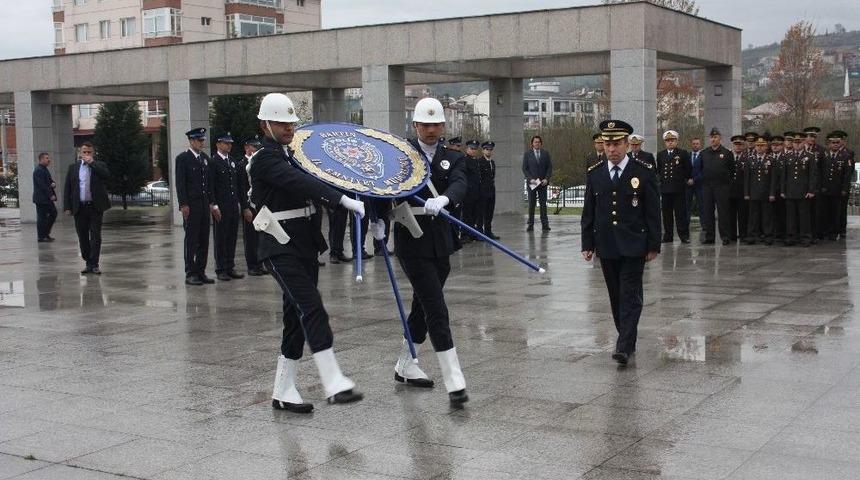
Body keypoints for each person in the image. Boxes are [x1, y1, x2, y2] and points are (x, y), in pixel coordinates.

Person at [250, 93, 365, 411]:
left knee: (295, 317)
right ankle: (333, 381)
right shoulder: (265, 160)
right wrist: (341, 201)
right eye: (281, 122)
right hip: (278, 244)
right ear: (265, 125)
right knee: (311, 307)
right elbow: (300, 184)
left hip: (303, 244)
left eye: (291, 122)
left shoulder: (292, 155)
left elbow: (317, 176)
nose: (288, 128)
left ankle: (283, 391)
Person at [370, 97, 470, 405]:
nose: (430, 129)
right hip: (411, 238)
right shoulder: (401, 156)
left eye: (435, 124)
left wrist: (446, 200)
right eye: (424, 125)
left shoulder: (452, 157)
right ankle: (454, 379)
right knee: (436, 307)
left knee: (422, 305)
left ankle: (405, 363)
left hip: (441, 239)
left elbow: (460, 183)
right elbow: (379, 185)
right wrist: (377, 219)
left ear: (443, 126)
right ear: (415, 126)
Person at [581, 120, 660, 365]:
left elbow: (652, 211)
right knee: (616, 296)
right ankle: (627, 338)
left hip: (634, 244)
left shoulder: (643, 171)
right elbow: (589, 211)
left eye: (616, 144)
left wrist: (654, 244)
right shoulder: (595, 173)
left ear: (627, 144)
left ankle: (623, 346)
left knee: (629, 295)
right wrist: (587, 243)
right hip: (607, 245)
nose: (611, 149)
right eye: (607, 144)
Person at [175, 128, 216, 286]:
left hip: (204, 205)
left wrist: (212, 202)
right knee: (191, 240)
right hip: (191, 205)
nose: (201, 143)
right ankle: (190, 273)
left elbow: (209, 184)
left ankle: (201, 271)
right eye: (199, 140)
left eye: (202, 140)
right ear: (191, 141)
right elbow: (180, 183)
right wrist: (183, 204)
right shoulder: (183, 158)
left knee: (203, 239)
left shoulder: (205, 159)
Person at [63, 142, 111, 275]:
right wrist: (67, 206)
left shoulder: (99, 165)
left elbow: (106, 175)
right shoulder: (73, 168)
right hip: (80, 208)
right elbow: (68, 188)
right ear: (79, 153)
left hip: (95, 207)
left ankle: (94, 264)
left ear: (93, 153)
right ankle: (88, 261)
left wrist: (92, 164)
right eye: (84, 152)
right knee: (82, 236)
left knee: (95, 236)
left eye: (89, 152)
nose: (86, 154)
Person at [210, 133, 246, 281]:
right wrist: (214, 205)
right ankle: (221, 269)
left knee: (231, 237)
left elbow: (237, 185)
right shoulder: (214, 162)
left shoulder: (232, 162)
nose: (229, 146)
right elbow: (211, 186)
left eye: (230, 143)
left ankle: (230, 267)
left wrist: (240, 204)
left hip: (232, 205)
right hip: (221, 206)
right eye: (226, 143)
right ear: (218, 144)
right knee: (221, 238)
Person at [655, 130, 692, 243]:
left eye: (672, 140)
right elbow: (659, 170)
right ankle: (668, 235)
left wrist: (685, 180)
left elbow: (688, 169)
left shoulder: (682, 153)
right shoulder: (661, 154)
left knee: (680, 214)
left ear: (676, 141)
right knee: (666, 214)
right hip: (666, 189)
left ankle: (684, 236)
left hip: (678, 188)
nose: (670, 143)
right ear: (665, 142)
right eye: (668, 141)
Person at [781, 133, 816, 247]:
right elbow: (784, 176)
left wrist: (811, 190)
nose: (797, 144)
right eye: (795, 142)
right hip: (790, 191)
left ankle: (805, 237)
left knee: (804, 217)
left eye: (799, 142)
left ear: (804, 143)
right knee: (790, 217)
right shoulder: (787, 156)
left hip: (803, 192)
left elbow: (812, 175)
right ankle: (791, 237)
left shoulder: (810, 156)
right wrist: (783, 190)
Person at [699, 128, 734, 245]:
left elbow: (732, 170)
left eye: (716, 137)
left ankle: (725, 236)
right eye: (712, 137)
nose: (713, 139)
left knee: (723, 212)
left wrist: (727, 184)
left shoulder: (727, 153)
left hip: (722, 187)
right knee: (708, 212)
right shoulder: (704, 153)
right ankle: (710, 237)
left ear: (720, 139)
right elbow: (699, 169)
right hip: (707, 187)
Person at [237, 136, 266, 276]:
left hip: (260, 204)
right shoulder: (241, 165)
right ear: (247, 147)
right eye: (253, 147)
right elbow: (241, 188)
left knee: (260, 235)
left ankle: (260, 263)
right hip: (249, 204)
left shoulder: (258, 163)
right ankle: (252, 265)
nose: (255, 149)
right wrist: (245, 207)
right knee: (250, 237)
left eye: (257, 147)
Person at [818, 131, 852, 241]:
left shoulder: (845, 156)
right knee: (825, 212)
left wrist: (844, 189)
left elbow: (847, 175)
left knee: (836, 212)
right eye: (833, 142)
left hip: (837, 190)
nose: (835, 144)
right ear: (828, 144)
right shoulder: (824, 155)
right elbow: (820, 172)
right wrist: (821, 186)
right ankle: (826, 231)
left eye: (837, 142)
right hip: (825, 189)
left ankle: (834, 232)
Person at [743, 135, 776, 245]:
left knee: (767, 216)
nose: (760, 148)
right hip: (753, 193)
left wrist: (772, 193)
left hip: (766, 193)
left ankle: (768, 236)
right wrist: (746, 193)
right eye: (758, 146)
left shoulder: (771, 160)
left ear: (766, 147)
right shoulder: (750, 160)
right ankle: (752, 235)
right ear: (755, 147)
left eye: (762, 146)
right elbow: (746, 178)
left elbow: (773, 179)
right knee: (753, 216)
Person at [523, 135, 553, 232]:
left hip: (542, 182)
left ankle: (545, 224)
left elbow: (549, 168)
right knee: (531, 204)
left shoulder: (545, 153)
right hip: (533, 182)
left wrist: (547, 179)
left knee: (543, 204)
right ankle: (530, 224)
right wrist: (530, 179)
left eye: (539, 142)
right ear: (532, 143)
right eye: (535, 142)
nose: (537, 143)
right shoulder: (527, 154)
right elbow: (525, 168)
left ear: (541, 143)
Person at [32, 152, 58, 243]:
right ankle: (42, 236)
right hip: (41, 199)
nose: (49, 160)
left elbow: (49, 181)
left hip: (45, 198)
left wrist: (53, 183)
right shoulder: (39, 170)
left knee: (52, 214)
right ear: (41, 159)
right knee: (42, 217)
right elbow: (42, 185)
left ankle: (45, 234)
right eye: (47, 158)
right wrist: (51, 195)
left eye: (48, 158)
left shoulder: (44, 169)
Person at [460, 139, 482, 243]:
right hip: (467, 192)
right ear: (467, 149)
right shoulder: (464, 160)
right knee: (466, 215)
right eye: (471, 148)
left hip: (476, 192)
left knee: (474, 215)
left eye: (475, 149)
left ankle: (472, 233)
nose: (473, 150)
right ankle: (464, 235)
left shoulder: (476, 161)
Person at [477, 141, 500, 240]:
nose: (489, 151)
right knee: (481, 213)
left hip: (491, 190)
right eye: (487, 149)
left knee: (489, 212)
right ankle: (480, 232)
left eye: (490, 150)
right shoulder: (479, 162)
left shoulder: (492, 162)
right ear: (483, 150)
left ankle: (488, 231)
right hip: (482, 191)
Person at [728, 135, 749, 242]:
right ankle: (731, 235)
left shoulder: (747, 158)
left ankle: (743, 234)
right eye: (736, 144)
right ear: (733, 145)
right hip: (730, 191)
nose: (738, 147)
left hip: (742, 191)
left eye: (740, 144)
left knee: (743, 215)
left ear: (743, 145)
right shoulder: (728, 157)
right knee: (731, 215)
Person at [770, 135, 787, 242]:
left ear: (782, 145)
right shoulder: (768, 157)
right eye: (773, 145)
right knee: (771, 213)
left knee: (783, 213)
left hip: (782, 190)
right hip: (771, 191)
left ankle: (782, 233)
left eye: (778, 145)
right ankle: (774, 233)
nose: (775, 147)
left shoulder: (786, 157)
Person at [685, 137, 704, 229]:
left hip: (700, 185)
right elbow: (683, 169)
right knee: (687, 205)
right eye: (694, 143)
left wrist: (694, 179)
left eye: (697, 143)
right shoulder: (687, 155)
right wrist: (687, 179)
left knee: (702, 205)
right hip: (688, 185)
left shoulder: (703, 156)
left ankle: (704, 225)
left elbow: (704, 171)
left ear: (700, 145)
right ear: (691, 144)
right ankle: (686, 224)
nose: (695, 145)